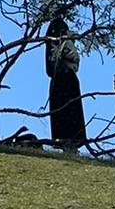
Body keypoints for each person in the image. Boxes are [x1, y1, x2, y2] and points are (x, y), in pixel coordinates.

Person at [45, 16, 86, 151]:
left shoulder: (67, 42)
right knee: (60, 110)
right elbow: (50, 68)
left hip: (68, 78)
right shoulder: (50, 44)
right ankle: (63, 141)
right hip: (58, 79)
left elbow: (74, 57)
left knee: (72, 110)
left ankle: (73, 142)